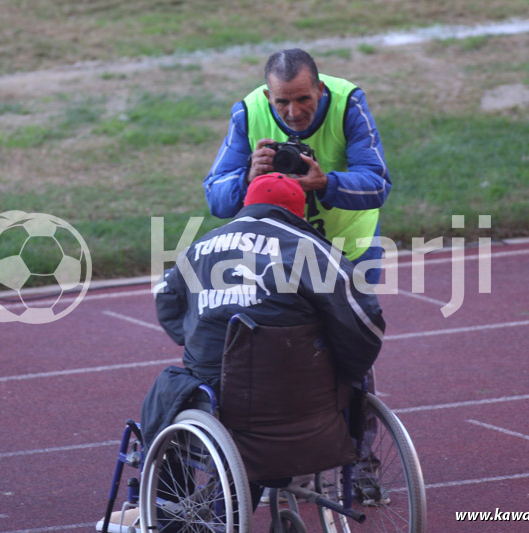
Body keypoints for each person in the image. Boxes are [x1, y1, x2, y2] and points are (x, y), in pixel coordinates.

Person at [149, 173, 385, 511]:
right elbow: (366, 323)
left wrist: (192, 334)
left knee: (170, 387)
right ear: (299, 213)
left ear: (247, 205)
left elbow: (165, 297)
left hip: (221, 398)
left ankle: (167, 502)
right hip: (306, 398)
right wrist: (345, 367)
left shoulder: (199, 248)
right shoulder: (314, 251)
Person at [203, 48, 391, 285]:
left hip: (349, 253)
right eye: (282, 102)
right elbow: (215, 198)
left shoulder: (348, 103)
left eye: (304, 99)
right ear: (268, 96)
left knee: (352, 324)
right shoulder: (248, 112)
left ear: (320, 90)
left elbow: (378, 185)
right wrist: (247, 179)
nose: (294, 113)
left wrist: (325, 184)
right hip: (279, 260)